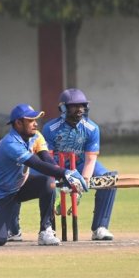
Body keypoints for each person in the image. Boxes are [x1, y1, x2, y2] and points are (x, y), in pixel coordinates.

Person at [0, 103, 88, 246]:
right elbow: (37, 164)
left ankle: (45, 231)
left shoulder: (36, 136)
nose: (35, 124)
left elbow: (47, 160)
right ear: (18, 123)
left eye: (35, 120)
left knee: (48, 182)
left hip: (20, 186)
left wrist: (63, 178)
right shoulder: (11, 144)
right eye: (31, 121)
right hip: (0, 194)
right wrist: (66, 173)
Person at [41, 89, 117, 241]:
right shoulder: (50, 128)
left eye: (82, 105)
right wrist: (60, 176)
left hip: (81, 164)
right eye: (74, 106)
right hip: (56, 166)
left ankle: (100, 228)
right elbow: (47, 158)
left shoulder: (92, 128)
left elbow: (90, 159)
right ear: (63, 108)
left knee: (109, 179)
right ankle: (19, 230)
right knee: (21, 178)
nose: (80, 109)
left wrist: (83, 181)